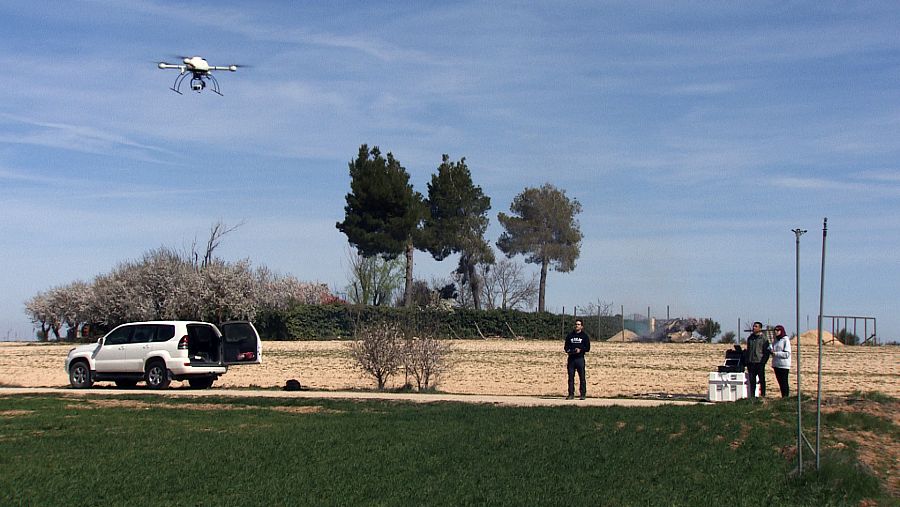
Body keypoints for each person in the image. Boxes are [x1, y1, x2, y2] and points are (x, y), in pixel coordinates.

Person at [564, 319, 591, 400]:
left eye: (579, 324)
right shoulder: (570, 335)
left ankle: (582, 394)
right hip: (571, 359)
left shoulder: (584, 336)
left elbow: (588, 348)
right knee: (571, 377)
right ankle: (571, 394)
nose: (577, 326)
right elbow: (566, 347)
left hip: (580, 359)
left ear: (582, 326)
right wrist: (570, 351)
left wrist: (580, 350)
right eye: (576, 324)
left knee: (582, 377)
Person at [745, 322, 772, 400]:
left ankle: (762, 396)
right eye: (753, 326)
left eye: (756, 326)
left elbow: (766, 352)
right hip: (751, 363)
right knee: (752, 381)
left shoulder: (764, 339)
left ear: (760, 328)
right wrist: (747, 360)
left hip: (759, 362)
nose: (754, 328)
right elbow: (748, 349)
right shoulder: (750, 338)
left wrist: (763, 362)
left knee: (761, 380)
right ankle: (752, 396)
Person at [771, 324, 792, 398]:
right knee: (780, 382)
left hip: (784, 365)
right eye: (775, 330)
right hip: (776, 364)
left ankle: (786, 397)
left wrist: (776, 354)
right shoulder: (776, 340)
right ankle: (783, 396)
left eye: (778, 330)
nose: (776, 332)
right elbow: (772, 347)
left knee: (784, 382)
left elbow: (787, 353)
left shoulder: (785, 340)